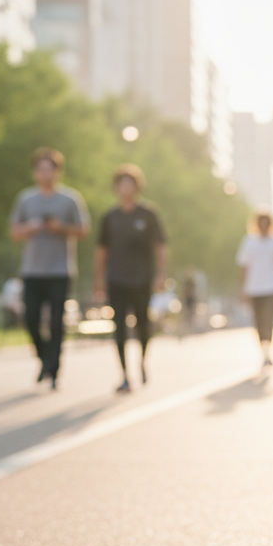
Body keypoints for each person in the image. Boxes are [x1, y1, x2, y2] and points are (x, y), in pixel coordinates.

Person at [9, 147, 89, 389]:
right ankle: (45, 359)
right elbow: (14, 232)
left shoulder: (70, 199)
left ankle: (54, 370)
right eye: (41, 169)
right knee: (31, 318)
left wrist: (61, 228)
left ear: (57, 171)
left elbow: (83, 230)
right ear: (36, 172)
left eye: (49, 169)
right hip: (32, 270)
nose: (45, 174)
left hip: (60, 270)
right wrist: (31, 228)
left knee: (56, 322)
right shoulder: (26, 199)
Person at [93, 164, 168, 393]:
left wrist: (161, 274)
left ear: (137, 187)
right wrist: (98, 280)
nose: (126, 187)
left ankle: (143, 361)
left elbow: (161, 246)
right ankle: (125, 375)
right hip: (116, 279)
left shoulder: (148, 214)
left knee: (143, 325)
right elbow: (102, 251)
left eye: (130, 183)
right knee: (119, 328)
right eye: (122, 183)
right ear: (116, 187)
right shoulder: (110, 217)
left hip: (142, 279)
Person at [236, 210, 273, 368]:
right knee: (259, 321)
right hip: (254, 288)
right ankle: (264, 351)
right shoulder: (249, 242)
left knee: (269, 319)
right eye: (261, 224)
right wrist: (242, 289)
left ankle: (269, 350)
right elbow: (244, 267)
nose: (263, 227)